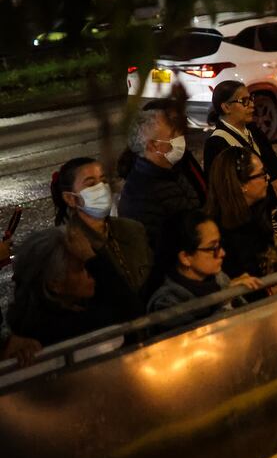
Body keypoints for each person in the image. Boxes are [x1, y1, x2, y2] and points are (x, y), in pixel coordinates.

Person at [52, 157, 152, 314]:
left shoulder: (133, 229)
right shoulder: (69, 246)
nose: (102, 188)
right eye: (91, 184)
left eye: (103, 181)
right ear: (70, 198)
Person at [7, 227, 130, 348]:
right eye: (81, 268)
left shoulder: (72, 304)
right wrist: (92, 259)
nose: (90, 273)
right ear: (55, 283)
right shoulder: (52, 328)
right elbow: (129, 312)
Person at [147, 211, 262, 330]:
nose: (222, 253)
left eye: (220, 244)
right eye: (213, 248)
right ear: (185, 258)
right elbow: (201, 342)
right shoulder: (166, 304)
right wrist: (226, 300)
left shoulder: (219, 278)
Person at [118, 103, 206, 249]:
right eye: (174, 135)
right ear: (153, 146)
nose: (181, 138)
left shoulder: (173, 171)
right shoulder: (140, 196)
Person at [205, 148, 277, 280]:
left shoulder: (259, 210)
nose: (268, 178)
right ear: (241, 184)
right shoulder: (219, 233)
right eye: (261, 174)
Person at [202, 81, 277, 198]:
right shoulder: (216, 144)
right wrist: (273, 189)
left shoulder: (253, 130)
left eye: (251, 99)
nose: (252, 105)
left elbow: (273, 160)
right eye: (244, 101)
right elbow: (228, 191)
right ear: (226, 107)